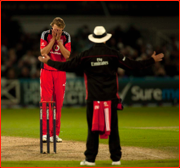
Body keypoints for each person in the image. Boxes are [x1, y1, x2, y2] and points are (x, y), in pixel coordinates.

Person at [38, 26, 164, 165]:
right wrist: (151, 60)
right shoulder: (113, 54)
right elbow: (132, 65)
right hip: (111, 98)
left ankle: (90, 159)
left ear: (93, 40)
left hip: (93, 98)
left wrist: (48, 62)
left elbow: (67, 66)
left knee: (93, 130)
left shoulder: (86, 55)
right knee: (114, 130)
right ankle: (116, 159)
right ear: (105, 39)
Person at [40, 17, 71, 143]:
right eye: (55, 29)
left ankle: (55, 134)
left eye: (59, 30)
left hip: (60, 72)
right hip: (47, 71)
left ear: (63, 29)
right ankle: (45, 133)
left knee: (58, 104)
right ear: (51, 26)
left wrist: (59, 43)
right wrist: (53, 40)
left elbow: (67, 55)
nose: (56, 32)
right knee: (46, 102)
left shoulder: (66, 36)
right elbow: (43, 52)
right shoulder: (45, 34)